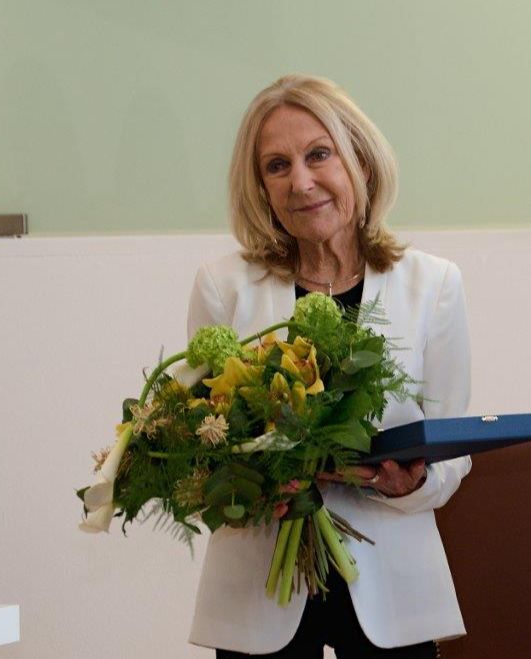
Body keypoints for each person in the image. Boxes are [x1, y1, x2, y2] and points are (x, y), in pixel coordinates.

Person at [186, 74, 471, 658]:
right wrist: (246, 483)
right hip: (259, 590)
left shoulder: (434, 284)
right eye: (277, 166)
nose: (301, 181)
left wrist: (414, 481)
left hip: (392, 586)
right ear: (261, 188)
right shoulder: (223, 286)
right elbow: (203, 438)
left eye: (319, 154)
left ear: (360, 162)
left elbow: (451, 448)